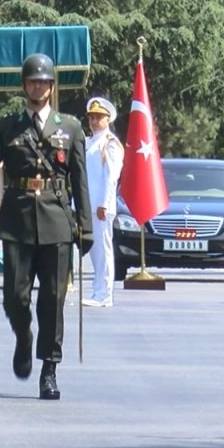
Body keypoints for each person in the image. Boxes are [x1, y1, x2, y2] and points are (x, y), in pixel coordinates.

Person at [0, 53, 92, 400]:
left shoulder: (71, 127)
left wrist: (85, 226)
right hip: (17, 218)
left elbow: (80, 179)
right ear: (24, 85)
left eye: (44, 82)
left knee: (52, 299)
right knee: (15, 297)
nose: (38, 87)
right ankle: (23, 335)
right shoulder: (7, 126)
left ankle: (49, 368)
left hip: (57, 219)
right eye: (33, 81)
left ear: (51, 86)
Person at [82, 96, 124, 308]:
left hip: (100, 205)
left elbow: (111, 177)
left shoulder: (110, 143)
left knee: (103, 250)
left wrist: (105, 204)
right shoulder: (89, 142)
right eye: (92, 117)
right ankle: (97, 290)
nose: (94, 121)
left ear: (108, 119)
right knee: (94, 250)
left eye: (99, 117)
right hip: (88, 204)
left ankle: (104, 294)